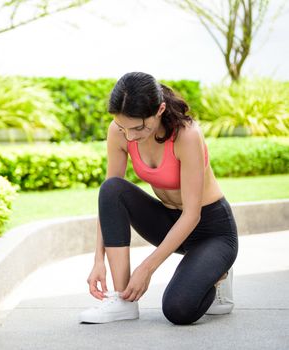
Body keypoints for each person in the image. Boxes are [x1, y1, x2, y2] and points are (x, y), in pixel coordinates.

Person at [78, 72, 239, 325]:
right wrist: (98, 259)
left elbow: (192, 214)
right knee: (111, 189)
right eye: (123, 127)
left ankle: (217, 273)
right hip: (167, 222)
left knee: (179, 310)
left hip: (211, 230)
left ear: (160, 109)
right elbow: (108, 200)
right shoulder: (120, 132)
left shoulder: (186, 134)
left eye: (139, 127)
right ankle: (123, 301)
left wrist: (146, 269)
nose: (130, 136)